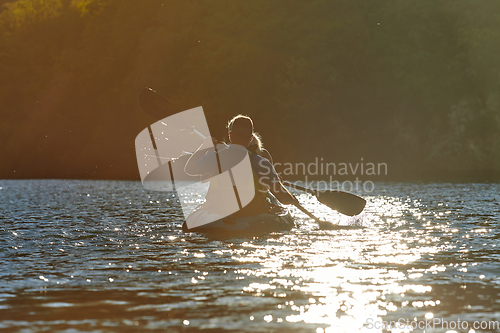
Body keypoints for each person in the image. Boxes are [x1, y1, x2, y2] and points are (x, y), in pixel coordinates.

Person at [185, 115, 298, 217]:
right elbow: (282, 198)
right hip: (250, 213)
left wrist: (203, 147)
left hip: (217, 211)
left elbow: (189, 169)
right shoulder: (261, 163)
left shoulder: (214, 157)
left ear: (230, 136)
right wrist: (294, 200)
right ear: (250, 138)